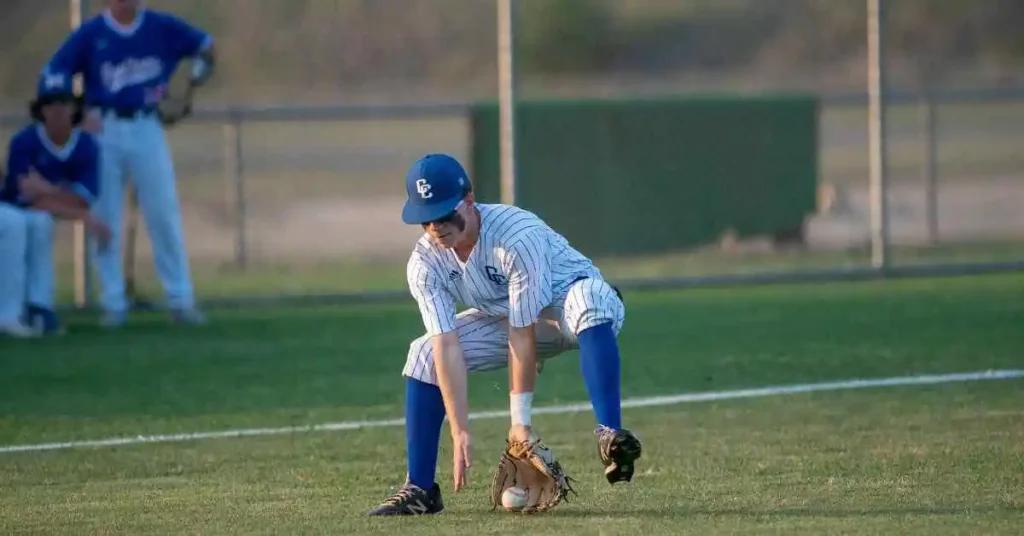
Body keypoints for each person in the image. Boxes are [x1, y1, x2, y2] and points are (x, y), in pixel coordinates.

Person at [368, 153, 643, 516]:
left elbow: (522, 333)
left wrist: (520, 426)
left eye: (445, 213)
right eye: (425, 218)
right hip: (508, 318)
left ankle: (610, 433)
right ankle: (420, 489)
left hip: (573, 308)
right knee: (422, 354)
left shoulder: (515, 237)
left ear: (468, 200)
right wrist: (460, 429)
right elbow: (445, 344)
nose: (436, 226)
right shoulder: (425, 262)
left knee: (589, 299)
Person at [42, 0, 215, 328]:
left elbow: (206, 48)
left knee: (163, 213)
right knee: (106, 216)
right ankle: (113, 303)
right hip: (105, 127)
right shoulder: (92, 34)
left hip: (146, 124)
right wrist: (76, 111)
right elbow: (53, 73)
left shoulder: (160, 26)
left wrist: (189, 88)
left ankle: (180, 299)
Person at [0, 72, 111, 338]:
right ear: (40, 110)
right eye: (51, 103)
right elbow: (25, 195)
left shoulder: (86, 146)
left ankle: (38, 307)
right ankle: (8, 314)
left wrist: (48, 192)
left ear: (75, 108)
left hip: (35, 212)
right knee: (20, 222)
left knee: (38, 222)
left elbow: (81, 198)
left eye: (64, 102)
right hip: (14, 210)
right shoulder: (25, 142)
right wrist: (81, 214)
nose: (58, 110)